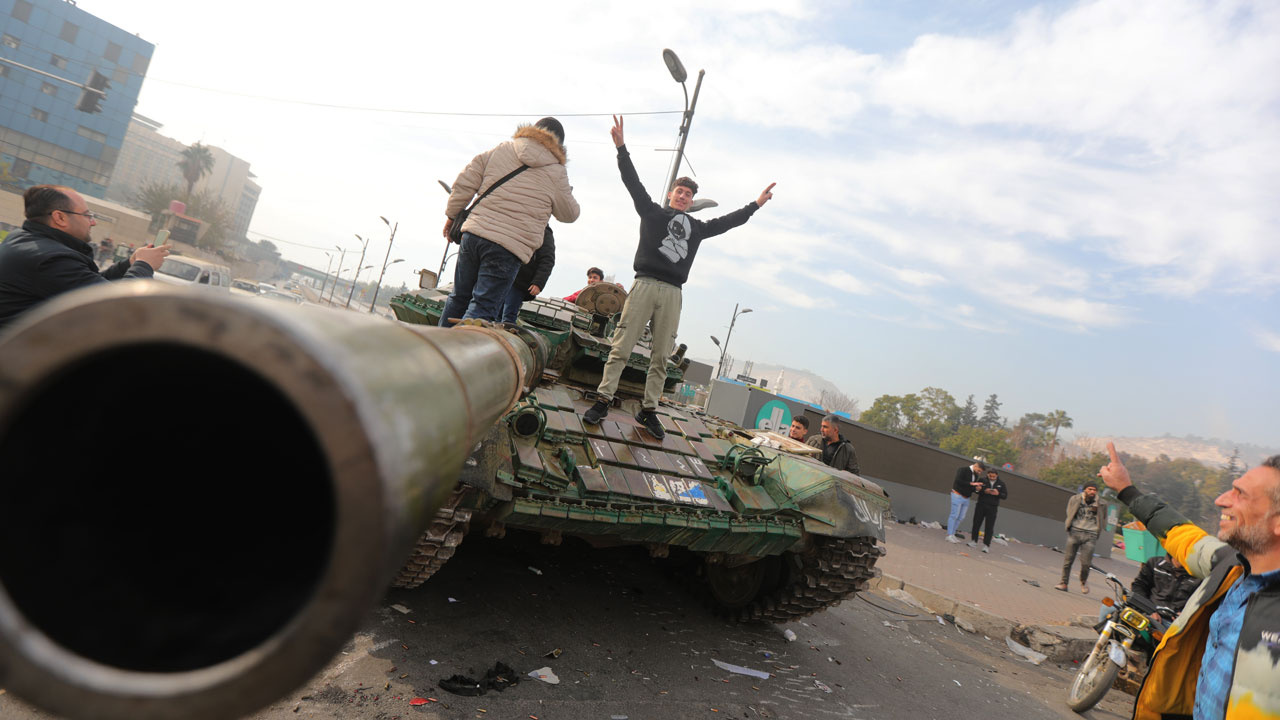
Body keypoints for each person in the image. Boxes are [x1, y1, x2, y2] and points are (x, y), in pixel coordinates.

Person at [581, 116, 775, 439]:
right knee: (622, 346)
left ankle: (649, 409)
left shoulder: (697, 229)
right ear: (671, 194)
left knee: (661, 355)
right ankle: (603, 398)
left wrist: (755, 205)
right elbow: (633, 183)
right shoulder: (653, 213)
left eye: (688, 194)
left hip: (672, 292)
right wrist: (621, 148)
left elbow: (728, 222)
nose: (683, 196)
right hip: (644, 285)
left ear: (690, 201)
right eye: (679, 192)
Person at [1099, 442, 1280, 720]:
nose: (1221, 500)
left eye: (1240, 494)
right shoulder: (1229, 567)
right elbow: (1180, 533)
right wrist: (1127, 490)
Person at [439, 117, 579, 326]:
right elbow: (569, 214)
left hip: (474, 234)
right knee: (483, 307)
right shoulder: (557, 172)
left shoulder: (504, 149)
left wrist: (451, 215)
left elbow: (466, 180)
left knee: (458, 297)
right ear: (559, 144)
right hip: (508, 247)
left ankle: (439, 349)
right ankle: (458, 355)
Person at [0, 185, 168, 330]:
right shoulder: (50, 259)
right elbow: (118, 309)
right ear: (60, 218)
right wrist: (144, 265)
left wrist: (129, 264)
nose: (92, 222)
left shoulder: (24, 238)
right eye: (87, 215)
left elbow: (87, 289)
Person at [497, 225, 555, 325]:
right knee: (492, 312)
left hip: (519, 281)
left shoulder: (544, 232)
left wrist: (538, 283)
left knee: (508, 316)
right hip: (501, 275)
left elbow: (547, 259)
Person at [1057, 484, 1103, 593]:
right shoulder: (1075, 499)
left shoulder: (1101, 503)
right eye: (1090, 489)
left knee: (1086, 563)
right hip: (1075, 532)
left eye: (1095, 490)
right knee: (1068, 560)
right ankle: (1063, 583)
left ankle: (1083, 581)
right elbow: (1070, 512)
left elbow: (1103, 518)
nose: (1092, 492)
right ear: (1085, 490)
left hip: (1090, 535)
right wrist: (1070, 526)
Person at [1131, 553, 1200, 621]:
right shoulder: (1155, 564)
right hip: (1148, 614)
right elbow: (1138, 586)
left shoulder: (1200, 577)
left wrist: (1185, 615)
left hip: (1175, 623)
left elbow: (1200, 603)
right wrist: (1148, 610)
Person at [967, 467, 1007, 553]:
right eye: (990, 476)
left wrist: (998, 493)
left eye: (993, 476)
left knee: (989, 526)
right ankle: (973, 541)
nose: (992, 478)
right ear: (987, 475)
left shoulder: (1001, 484)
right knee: (976, 523)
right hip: (981, 505)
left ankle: (986, 545)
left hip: (992, 507)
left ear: (997, 475)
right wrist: (983, 490)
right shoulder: (982, 480)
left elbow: (1005, 496)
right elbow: (976, 490)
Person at [946, 459, 986, 543]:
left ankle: (953, 534)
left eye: (980, 472)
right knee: (954, 515)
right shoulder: (963, 469)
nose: (979, 473)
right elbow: (958, 481)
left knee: (961, 517)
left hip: (966, 498)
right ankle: (949, 535)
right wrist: (971, 484)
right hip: (957, 495)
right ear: (975, 466)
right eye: (979, 471)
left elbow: (971, 488)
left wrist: (977, 489)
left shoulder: (975, 475)